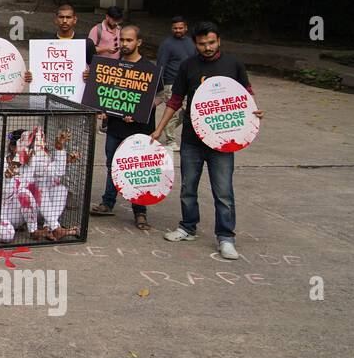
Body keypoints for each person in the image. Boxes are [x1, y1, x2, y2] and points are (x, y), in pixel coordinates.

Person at [151, 21, 263, 261]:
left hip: (223, 142)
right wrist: (159, 129)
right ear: (195, 44)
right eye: (202, 44)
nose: (207, 47)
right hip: (192, 139)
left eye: (211, 42)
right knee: (188, 188)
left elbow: (246, 95)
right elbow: (175, 100)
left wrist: (253, 113)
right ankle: (187, 227)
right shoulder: (188, 65)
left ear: (219, 41)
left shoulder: (233, 64)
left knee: (223, 192)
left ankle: (226, 238)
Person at [89, 24, 157, 230]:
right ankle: (108, 202)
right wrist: (102, 109)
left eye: (129, 40)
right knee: (112, 166)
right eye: (122, 40)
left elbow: (161, 96)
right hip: (116, 128)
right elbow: (104, 95)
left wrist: (138, 112)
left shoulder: (149, 69)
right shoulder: (113, 67)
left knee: (137, 169)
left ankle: (140, 211)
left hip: (140, 130)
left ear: (139, 42)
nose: (125, 44)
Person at [153, 16, 193, 152]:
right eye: (175, 28)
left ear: (186, 28)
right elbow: (161, 65)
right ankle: (170, 140)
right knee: (174, 112)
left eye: (180, 28)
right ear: (172, 29)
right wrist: (159, 86)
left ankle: (165, 126)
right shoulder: (166, 44)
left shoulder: (191, 42)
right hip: (171, 83)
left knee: (190, 111)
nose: (178, 30)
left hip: (189, 82)